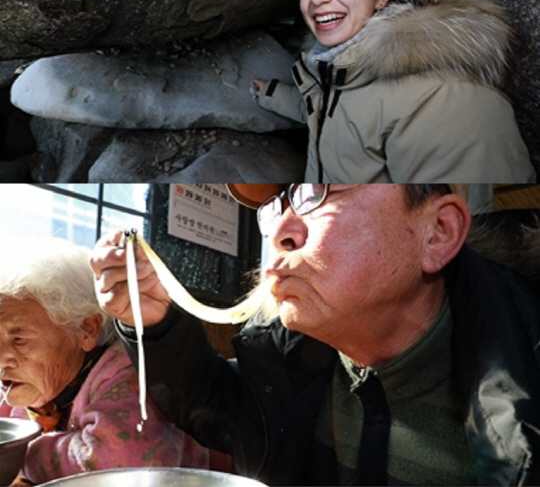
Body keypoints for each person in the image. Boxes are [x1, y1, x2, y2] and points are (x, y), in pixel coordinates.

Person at [90, 184, 540, 486]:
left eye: (319, 190)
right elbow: (215, 406)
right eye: (276, 206)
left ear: (438, 233)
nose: (282, 231)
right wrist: (155, 322)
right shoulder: (292, 356)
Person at [250, 0, 535, 183]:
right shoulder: (335, 69)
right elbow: (326, 112)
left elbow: (475, 233)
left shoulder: (446, 100)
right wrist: (271, 93)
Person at [0, 237, 209, 486]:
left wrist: (19, 454)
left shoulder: (126, 370)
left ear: (86, 330)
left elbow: (118, 460)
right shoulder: (25, 386)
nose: (2, 358)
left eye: (19, 339)